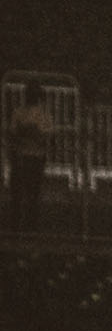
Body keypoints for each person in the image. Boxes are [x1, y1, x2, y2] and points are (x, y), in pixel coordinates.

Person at [7, 82, 51, 234]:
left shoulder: (24, 113)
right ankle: (24, 225)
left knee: (27, 192)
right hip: (28, 156)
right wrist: (32, 133)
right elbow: (43, 135)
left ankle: (25, 225)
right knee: (25, 192)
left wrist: (26, 133)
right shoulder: (36, 114)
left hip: (29, 155)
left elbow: (42, 136)